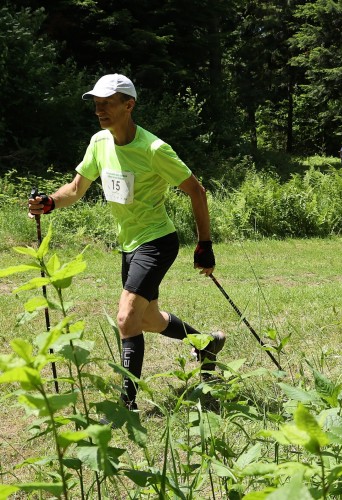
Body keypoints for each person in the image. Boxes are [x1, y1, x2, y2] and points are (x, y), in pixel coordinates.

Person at [28, 74, 226, 412]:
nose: (99, 110)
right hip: (129, 244)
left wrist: (204, 243)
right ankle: (205, 344)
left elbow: (197, 191)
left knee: (125, 319)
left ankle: (126, 404)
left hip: (157, 241)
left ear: (128, 105)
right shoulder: (99, 143)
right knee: (147, 319)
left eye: (107, 103)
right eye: (96, 104)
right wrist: (49, 201)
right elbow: (75, 190)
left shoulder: (153, 149)